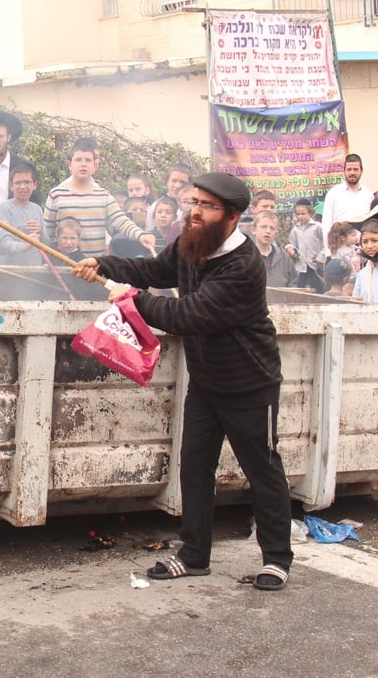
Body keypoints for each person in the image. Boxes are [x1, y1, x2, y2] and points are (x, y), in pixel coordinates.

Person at [73, 172, 293, 590]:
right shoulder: (193, 241)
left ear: (232, 217)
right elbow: (153, 269)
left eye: (207, 206)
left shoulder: (243, 265)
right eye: (195, 201)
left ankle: (277, 559)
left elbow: (185, 315)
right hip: (207, 382)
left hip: (250, 384)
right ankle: (194, 555)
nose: (195, 211)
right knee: (194, 468)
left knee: (262, 470)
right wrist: (103, 263)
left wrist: (129, 299)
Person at [42, 138, 155, 258]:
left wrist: (141, 235)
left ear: (94, 165)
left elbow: (122, 222)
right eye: (78, 160)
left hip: (93, 268)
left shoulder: (103, 196)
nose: (83, 164)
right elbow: (47, 234)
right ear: (70, 165)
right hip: (64, 267)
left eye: (88, 160)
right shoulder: (56, 194)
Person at [320, 154, 375, 254]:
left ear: (361, 171)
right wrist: (329, 252)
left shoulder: (368, 195)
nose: (352, 173)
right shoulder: (333, 193)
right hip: (339, 251)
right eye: (349, 169)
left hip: (363, 252)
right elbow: (326, 224)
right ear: (344, 171)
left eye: (355, 169)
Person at [0, 166, 44, 267]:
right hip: (10, 270)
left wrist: (41, 230)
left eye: (27, 182)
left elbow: (46, 243)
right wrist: (25, 246)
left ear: (34, 185)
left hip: (34, 269)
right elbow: (3, 242)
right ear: (11, 186)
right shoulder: (4, 208)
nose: (22, 187)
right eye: (18, 183)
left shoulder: (37, 209)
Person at [285, 198, 325, 292]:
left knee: (318, 288)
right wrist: (291, 249)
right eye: (298, 214)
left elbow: (326, 243)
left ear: (310, 213)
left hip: (315, 264)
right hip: (301, 265)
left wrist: (321, 258)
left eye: (303, 214)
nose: (300, 216)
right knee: (300, 289)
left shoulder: (317, 227)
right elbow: (292, 243)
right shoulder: (296, 229)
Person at [250, 210, 294, 288]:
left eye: (272, 228)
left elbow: (294, 283)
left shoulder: (284, 258)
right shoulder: (245, 258)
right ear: (253, 230)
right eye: (264, 227)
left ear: (275, 233)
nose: (268, 231)